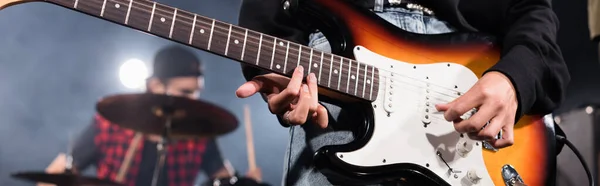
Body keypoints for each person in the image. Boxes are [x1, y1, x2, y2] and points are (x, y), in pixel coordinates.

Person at [235, 0, 570, 185]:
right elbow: (269, 15)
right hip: (333, 66)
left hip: (468, 69)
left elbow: (532, 10)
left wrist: (513, 80)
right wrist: (282, 79)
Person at [42, 45, 263, 186]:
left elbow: (224, 179)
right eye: (185, 92)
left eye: (196, 92)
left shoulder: (199, 135)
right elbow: (56, 175)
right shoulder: (110, 123)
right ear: (156, 85)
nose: (194, 101)